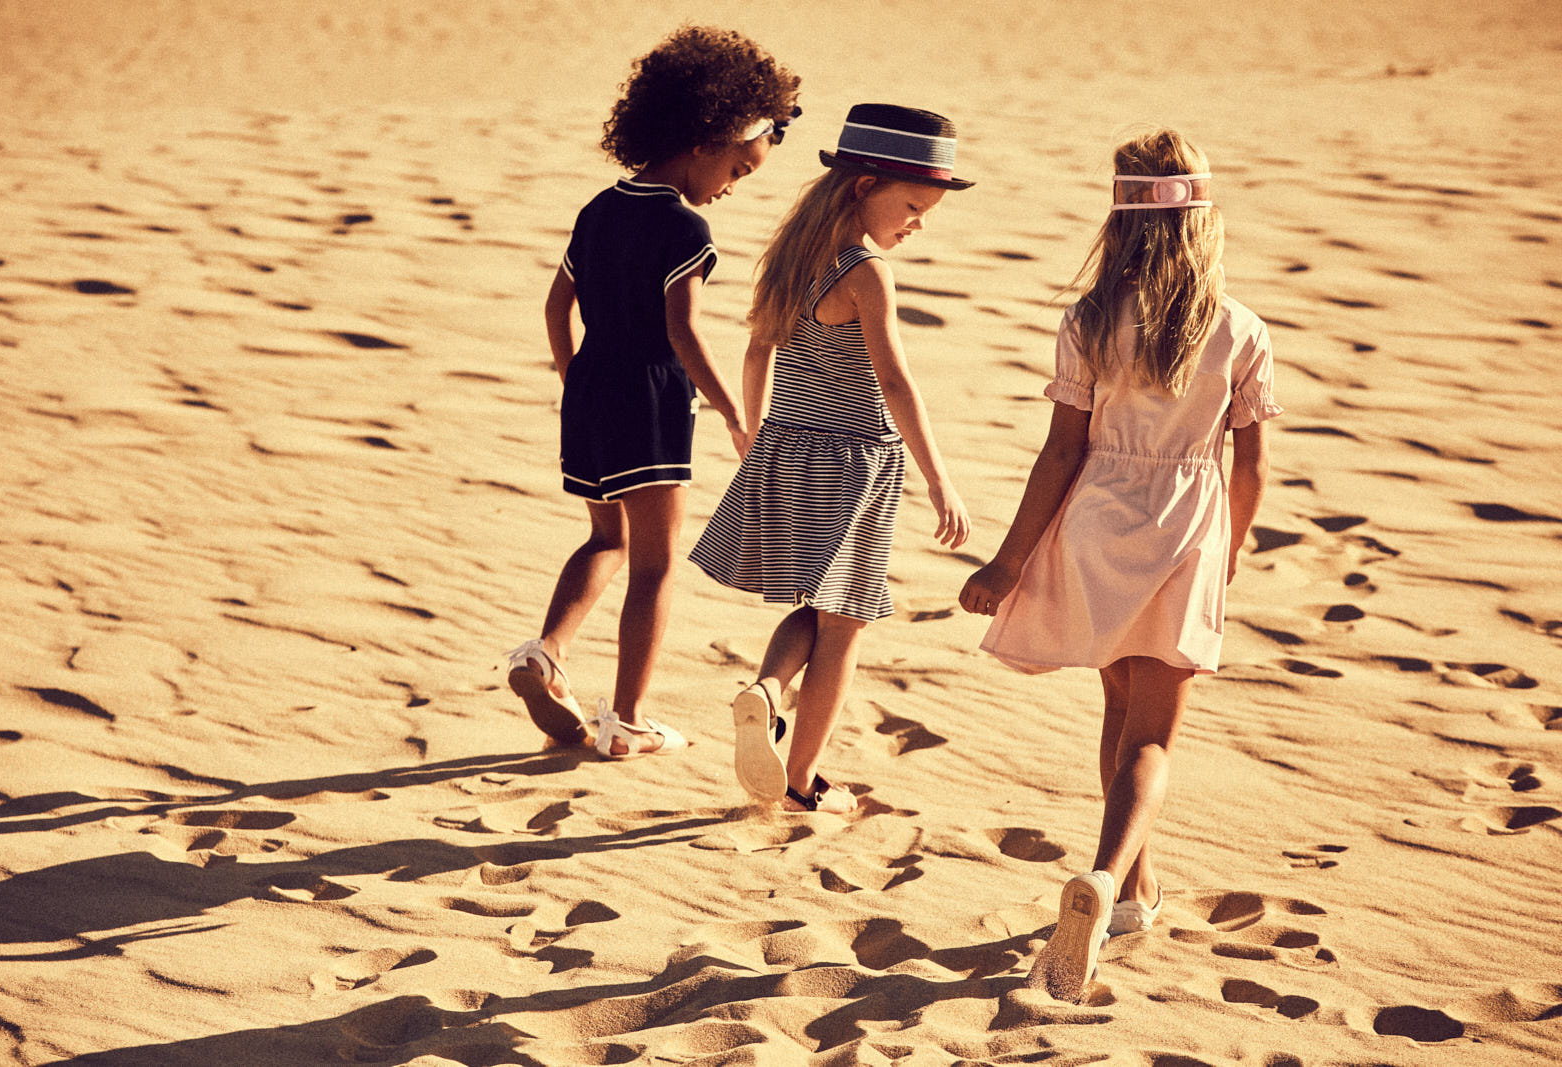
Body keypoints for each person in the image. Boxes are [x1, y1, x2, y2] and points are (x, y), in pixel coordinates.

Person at [958, 128, 1281, 1000]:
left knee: (1115, 700)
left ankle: (1135, 888)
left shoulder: (1090, 321)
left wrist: (1006, 558)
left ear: (1122, 220)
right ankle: (1105, 877)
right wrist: (1231, 547)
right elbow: (1247, 466)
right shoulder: (1241, 328)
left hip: (1098, 521)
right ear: (1204, 222)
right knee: (1152, 734)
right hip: (1184, 531)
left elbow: (1059, 453)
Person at [506, 26, 800, 759]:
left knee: (607, 537)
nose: (732, 186)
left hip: (591, 390)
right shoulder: (683, 228)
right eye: (738, 167)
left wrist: (577, 381)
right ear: (705, 139)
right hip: (650, 400)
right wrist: (736, 411)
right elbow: (683, 332)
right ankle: (629, 717)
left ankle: (545, 651)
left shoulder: (597, 211)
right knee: (658, 561)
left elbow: (554, 309)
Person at [689, 103, 973, 815]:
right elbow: (896, 381)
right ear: (862, 185)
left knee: (816, 608)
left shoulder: (792, 254)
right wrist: (940, 479)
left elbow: (757, 348)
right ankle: (802, 779)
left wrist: (752, 428)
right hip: (854, 461)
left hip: (788, 445)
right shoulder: (866, 271)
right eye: (911, 205)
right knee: (844, 622)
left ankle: (766, 689)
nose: (919, 223)